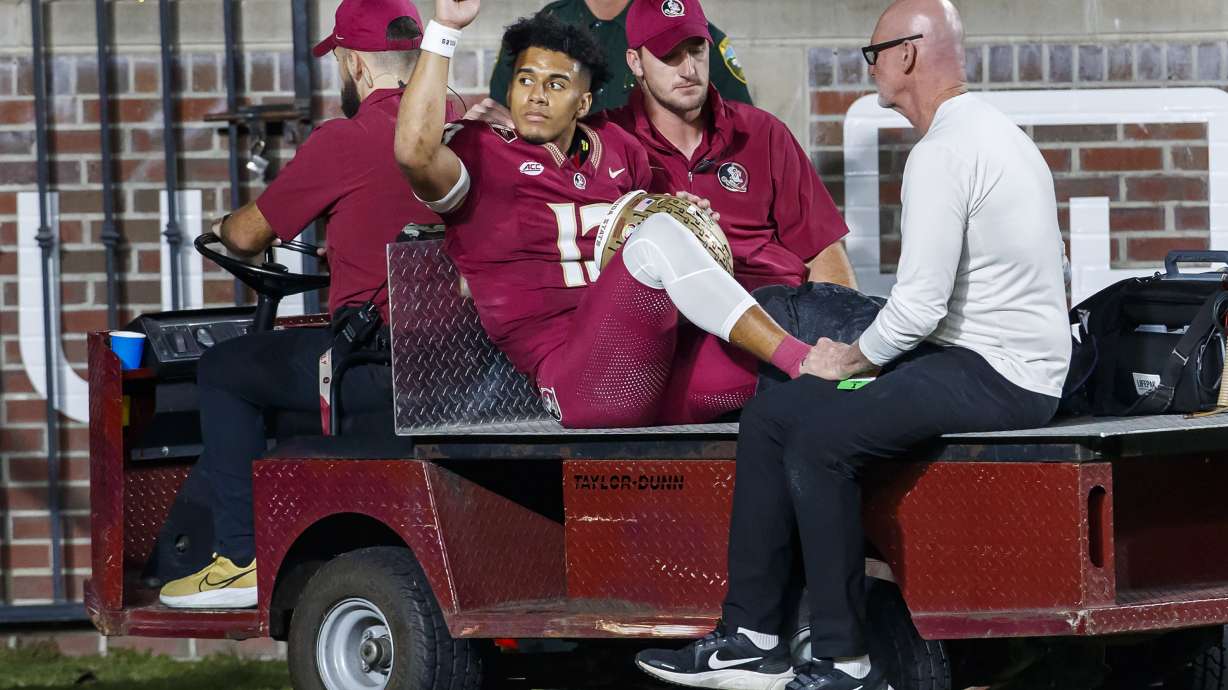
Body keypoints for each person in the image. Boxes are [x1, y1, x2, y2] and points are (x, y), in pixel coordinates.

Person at [633, 0, 1072, 688]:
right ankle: (750, 635)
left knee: (820, 441)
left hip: (999, 374)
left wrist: (853, 357)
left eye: (873, 55)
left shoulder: (943, 153)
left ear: (905, 56)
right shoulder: (994, 133)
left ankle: (845, 658)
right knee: (779, 410)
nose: (870, 68)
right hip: (993, 360)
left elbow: (920, 308)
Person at [395, 0, 818, 429]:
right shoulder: (480, 152)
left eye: (557, 85)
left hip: (653, 366)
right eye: (526, 80)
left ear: (583, 104)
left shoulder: (618, 147)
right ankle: (799, 358)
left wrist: (688, 214)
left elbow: (657, 242)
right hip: (581, 385)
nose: (536, 96)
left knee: (804, 323)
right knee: (660, 239)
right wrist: (444, 30)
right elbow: (414, 151)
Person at [158, 0, 450, 609]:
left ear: (354, 64)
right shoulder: (470, 124)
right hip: (458, 364)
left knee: (225, 369)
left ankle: (239, 558)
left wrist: (220, 225)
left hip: (375, 369)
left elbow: (246, 236)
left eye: (341, 59)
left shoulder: (347, 139)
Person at [608, 0, 854, 293]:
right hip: (678, 313)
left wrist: (838, 330)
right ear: (635, 62)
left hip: (781, 303)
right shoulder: (610, 140)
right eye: (670, 55)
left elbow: (823, 249)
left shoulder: (762, 132)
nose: (688, 69)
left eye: (697, 50)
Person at [483, 0, 751, 116]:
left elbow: (741, 123)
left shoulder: (683, 27)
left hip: (657, 187)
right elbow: (500, 119)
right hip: (561, 187)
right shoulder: (539, 31)